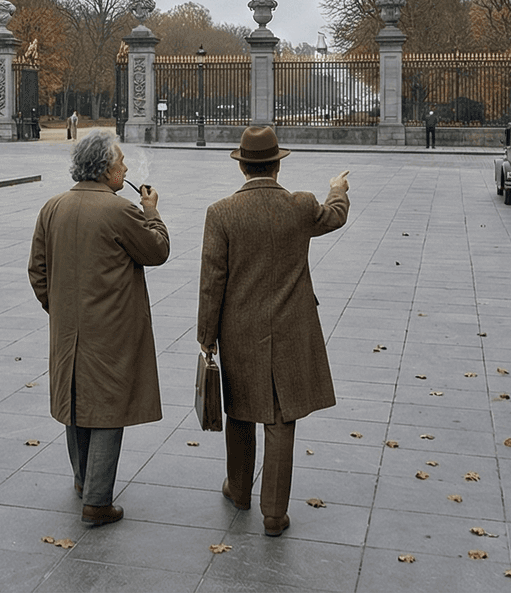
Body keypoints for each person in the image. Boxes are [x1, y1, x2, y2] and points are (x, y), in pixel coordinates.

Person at [198, 125, 350, 536]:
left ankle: (239, 489)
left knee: (241, 411)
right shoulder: (301, 206)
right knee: (281, 419)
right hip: (290, 328)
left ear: (243, 166)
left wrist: (206, 336)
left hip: (239, 329)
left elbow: (213, 281)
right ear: (277, 166)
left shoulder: (221, 212)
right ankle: (274, 513)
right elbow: (334, 216)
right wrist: (337, 188)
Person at [28, 132, 167, 527]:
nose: (125, 169)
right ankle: (98, 500)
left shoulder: (53, 206)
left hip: (69, 328)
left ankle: (84, 480)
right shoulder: (120, 210)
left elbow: (37, 269)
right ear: (106, 170)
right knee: (107, 407)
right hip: (112, 327)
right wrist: (152, 210)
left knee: (76, 400)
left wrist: (57, 308)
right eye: (121, 163)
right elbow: (156, 251)